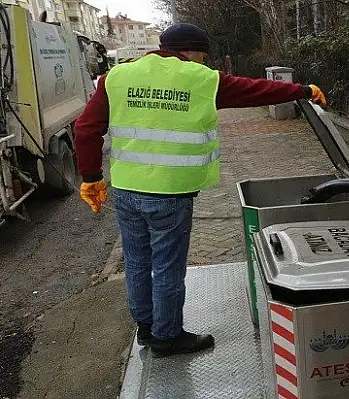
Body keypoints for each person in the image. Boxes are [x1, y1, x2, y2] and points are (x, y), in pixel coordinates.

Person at [74, 23, 327, 358]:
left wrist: (91, 176)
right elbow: (258, 91)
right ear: (190, 51)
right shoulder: (203, 80)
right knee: (166, 266)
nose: (204, 63)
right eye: (203, 56)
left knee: (137, 261)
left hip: (126, 191)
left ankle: (147, 328)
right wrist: (304, 90)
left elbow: (86, 128)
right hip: (169, 194)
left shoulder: (116, 78)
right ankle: (167, 337)